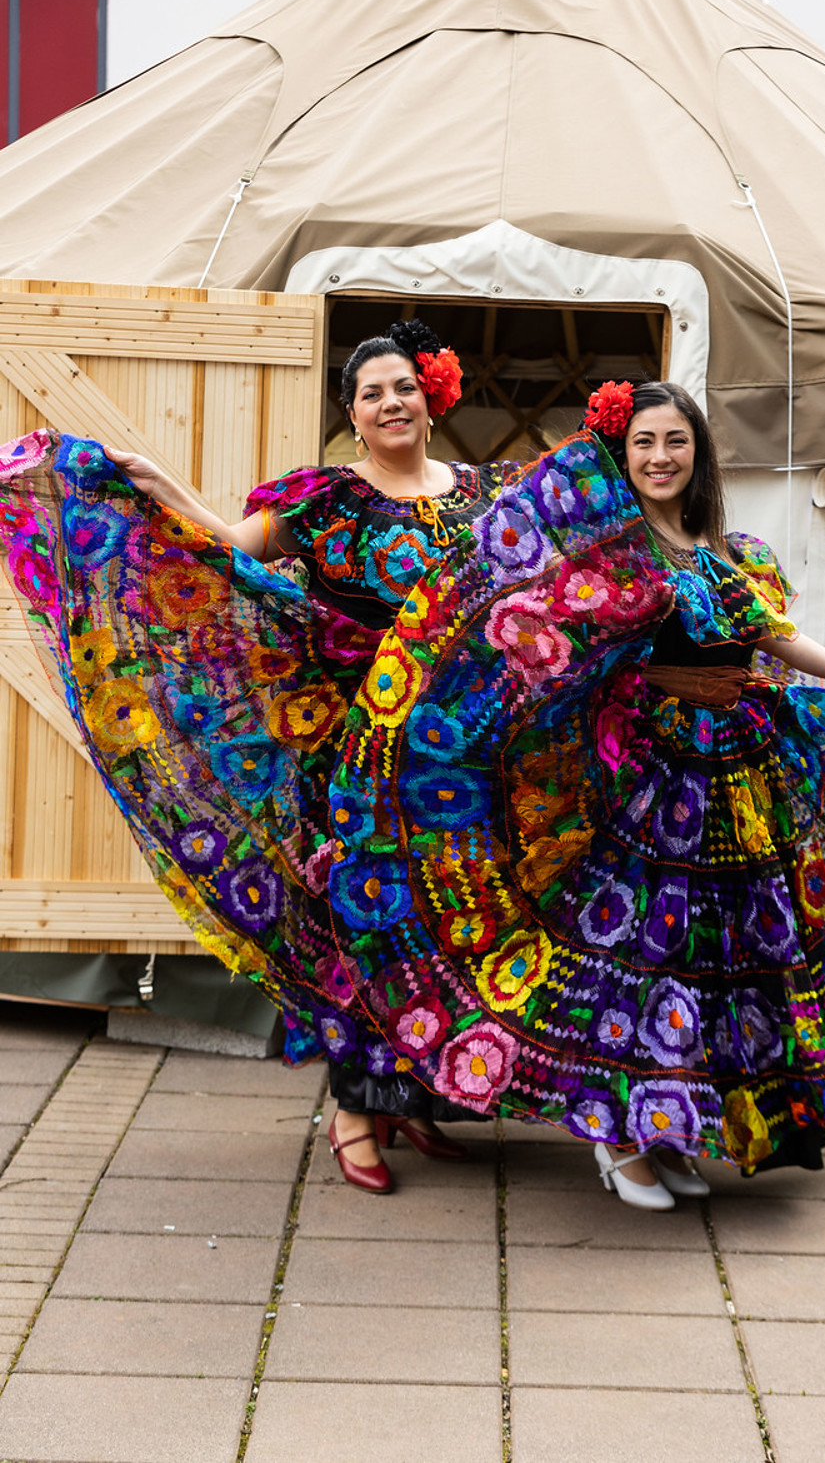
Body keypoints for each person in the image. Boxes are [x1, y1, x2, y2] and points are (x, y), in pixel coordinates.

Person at [317, 379, 825, 1210]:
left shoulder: (725, 553)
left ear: (698, 452)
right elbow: (529, 633)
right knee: (632, 956)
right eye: (643, 443)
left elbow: (771, 637)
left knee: (705, 964)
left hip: (736, 783)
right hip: (647, 783)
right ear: (621, 454)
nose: (660, 457)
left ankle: (667, 1131)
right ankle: (615, 1138)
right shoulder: (608, 551)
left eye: (675, 441)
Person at [0, 319, 514, 1195]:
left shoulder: (483, 495)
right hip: (352, 753)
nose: (390, 403)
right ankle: (355, 1111)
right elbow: (224, 552)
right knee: (366, 924)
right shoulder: (325, 499)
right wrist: (161, 487)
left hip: (457, 757)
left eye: (403, 387)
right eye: (370, 393)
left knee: (445, 930)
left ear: (433, 398)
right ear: (353, 415)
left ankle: (411, 1098)